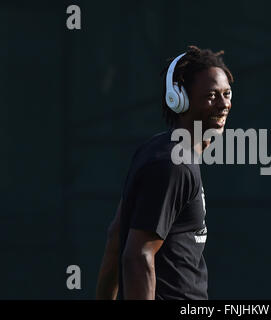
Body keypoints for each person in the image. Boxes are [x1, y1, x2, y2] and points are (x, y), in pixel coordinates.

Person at [96, 45, 234, 300]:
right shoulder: (174, 165)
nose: (224, 104)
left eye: (227, 94)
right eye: (212, 95)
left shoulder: (159, 149)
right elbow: (138, 255)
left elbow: (117, 235)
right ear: (179, 99)